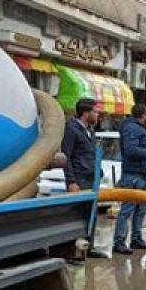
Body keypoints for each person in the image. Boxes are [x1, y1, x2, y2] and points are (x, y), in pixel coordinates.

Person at [62, 98, 109, 262]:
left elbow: (90, 154)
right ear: (86, 113)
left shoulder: (90, 131)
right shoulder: (72, 129)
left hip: (91, 179)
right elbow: (66, 156)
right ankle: (70, 252)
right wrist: (71, 181)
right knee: (76, 216)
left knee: (91, 215)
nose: (97, 115)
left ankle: (89, 247)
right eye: (95, 112)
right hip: (79, 179)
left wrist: (98, 171)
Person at [112, 104, 146, 255]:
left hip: (141, 174)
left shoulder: (139, 128)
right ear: (143, 114)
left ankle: (136, 238)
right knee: (127, 209)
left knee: (141, 209)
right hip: (132, 174)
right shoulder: (131, 128)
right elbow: (130, 150)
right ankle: (119, 241)